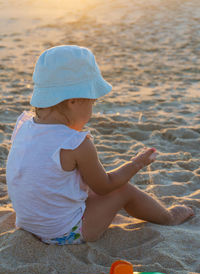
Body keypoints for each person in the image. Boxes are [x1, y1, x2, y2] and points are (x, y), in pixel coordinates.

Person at [6, 45, 194, 246]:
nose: (92, 110)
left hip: (27, 225)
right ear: (73, 100)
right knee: (123, 191)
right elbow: (105, 186)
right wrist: (136, 163)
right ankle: (168, 217)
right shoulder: (75, 143)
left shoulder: (23, 124)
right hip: (64, 232)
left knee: (81, 187)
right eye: (92, 102)